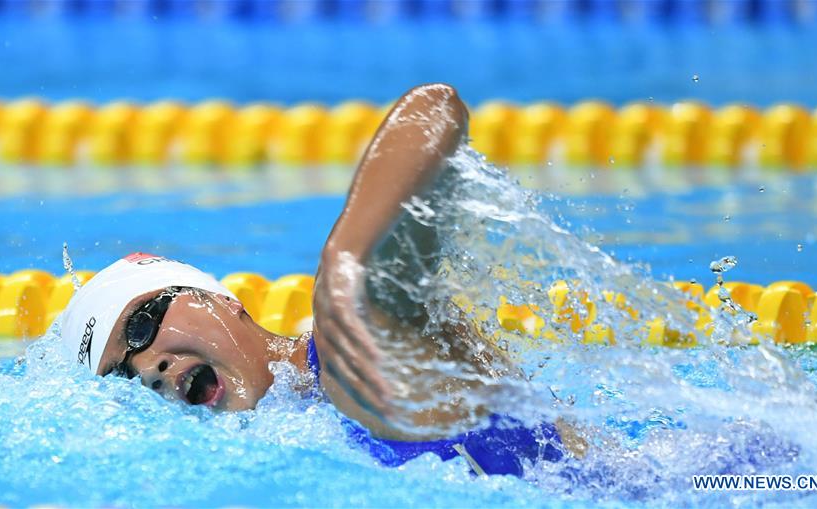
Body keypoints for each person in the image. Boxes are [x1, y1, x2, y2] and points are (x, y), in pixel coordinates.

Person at [60, 84, 584, 477]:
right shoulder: (287, 445)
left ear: (215, 300)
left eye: (141, 326)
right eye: (122, 376)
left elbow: (434, 110)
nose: (147, 369)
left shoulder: (358, 349)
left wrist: (345, 260)